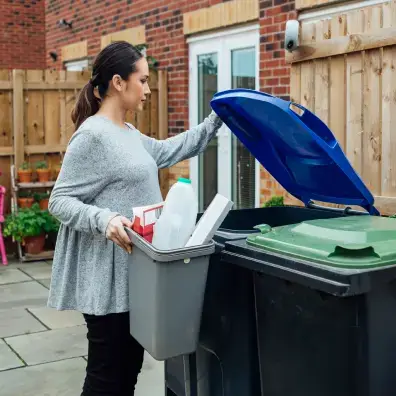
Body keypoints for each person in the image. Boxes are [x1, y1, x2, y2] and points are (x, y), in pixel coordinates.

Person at [47, 40, 223, 396]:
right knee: (107, 378)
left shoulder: (128, 134)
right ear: (118, 82)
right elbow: (59, 200)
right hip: (105, 283)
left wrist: (217, 119)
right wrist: (105, 219)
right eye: (142, 80)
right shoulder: (93, 136)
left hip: (134, 277)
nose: (147, 89)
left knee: (125, 373)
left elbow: (171, 149)